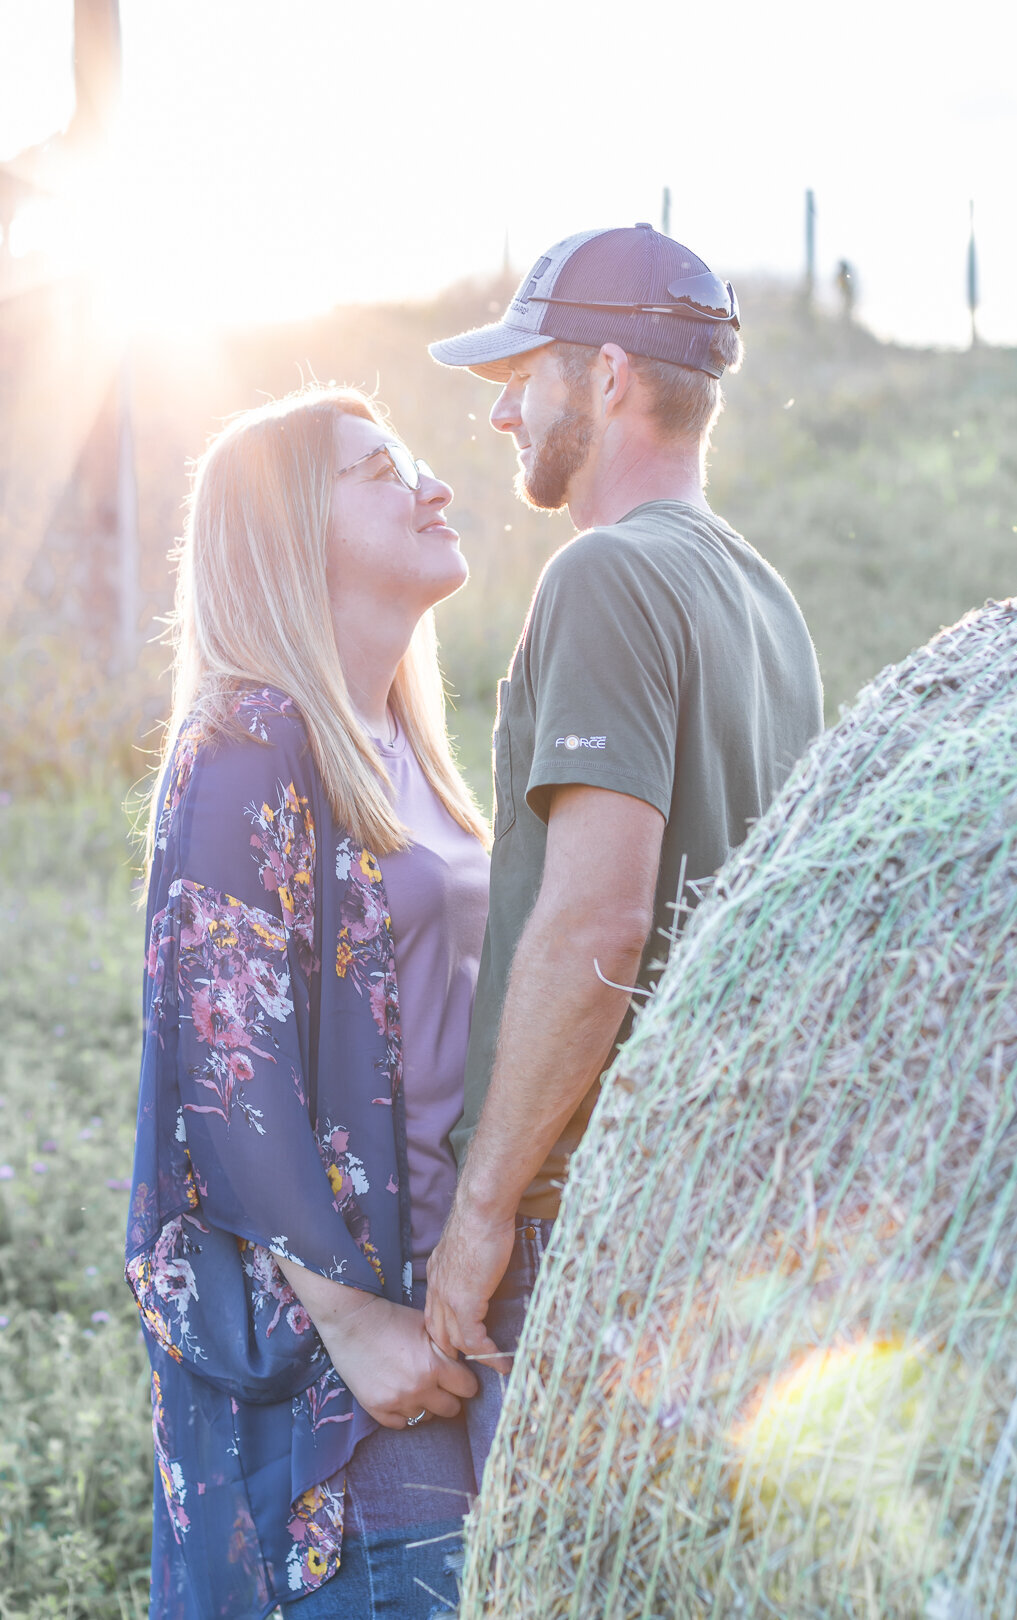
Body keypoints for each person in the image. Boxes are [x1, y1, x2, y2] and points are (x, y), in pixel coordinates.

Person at [422, 223, 825, 1471]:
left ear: (605, 376)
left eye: (521, 378)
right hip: (715, 1215)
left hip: (587, 1229)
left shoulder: (605, 575)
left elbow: (600, 920)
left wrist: (485, 1212)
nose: (501, 420)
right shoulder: (768, 600)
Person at [124, 385, 492, 1619]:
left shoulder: (403, 744)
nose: (431, 483)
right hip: (351, 1375)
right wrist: (356, 1326)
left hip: (453, 1317)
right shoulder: (248, 742)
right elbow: (222, 1064)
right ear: (288, 534)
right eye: (382, 469)